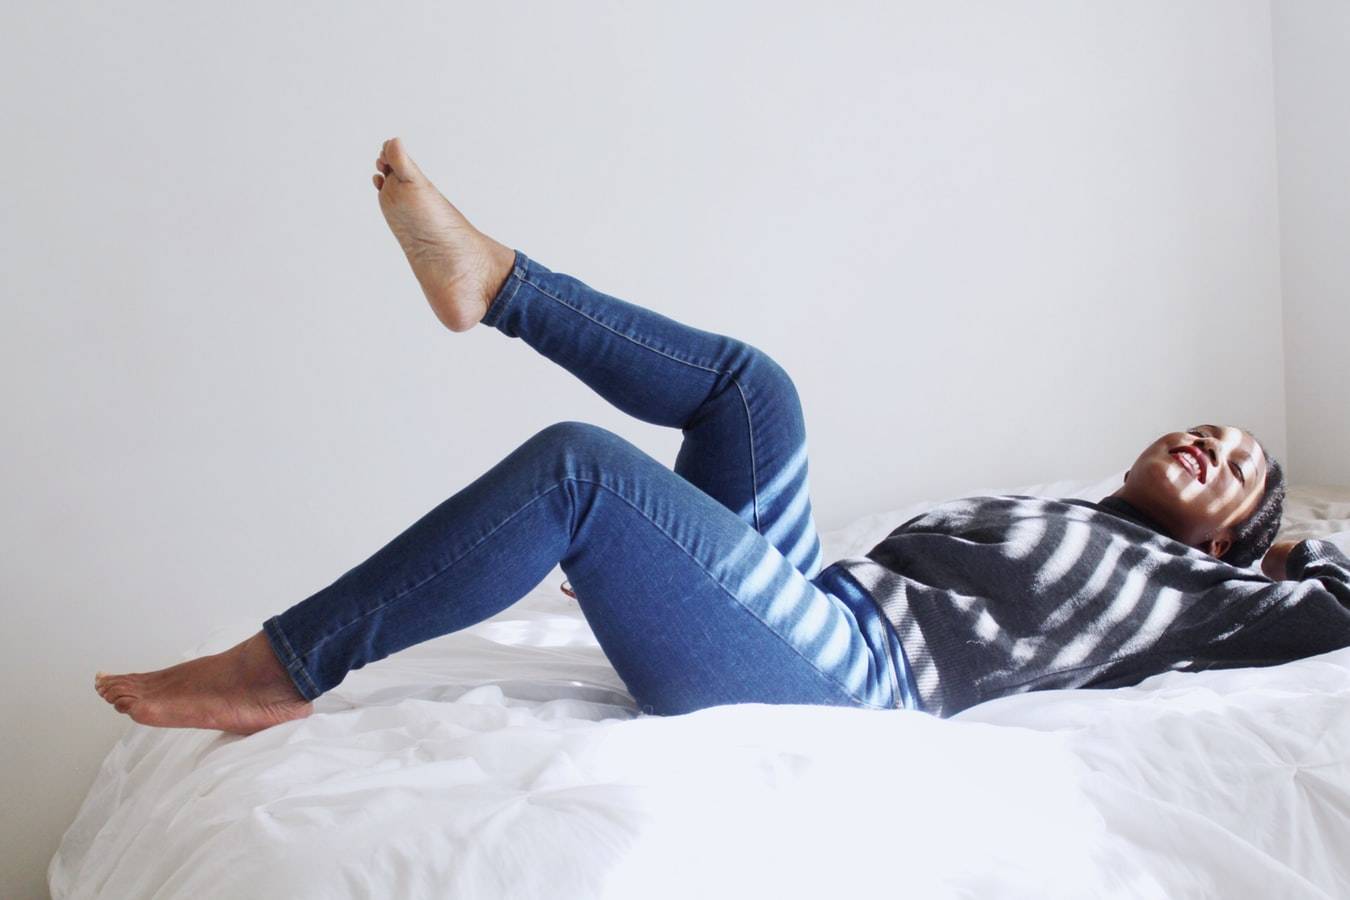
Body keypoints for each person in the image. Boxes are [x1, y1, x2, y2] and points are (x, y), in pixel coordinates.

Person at [94, 139, 1350, 734]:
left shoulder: (1210, 596)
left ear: (1243, 532)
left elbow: (1338, 607)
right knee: (757, 389)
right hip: (819, 603)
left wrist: (1298, 562)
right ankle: (498, 280)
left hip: (861, 686)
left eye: (1238, 464)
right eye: (1200, 427)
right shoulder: (1061, 510)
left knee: (582, 472)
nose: (1209, 445)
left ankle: (282, 670)